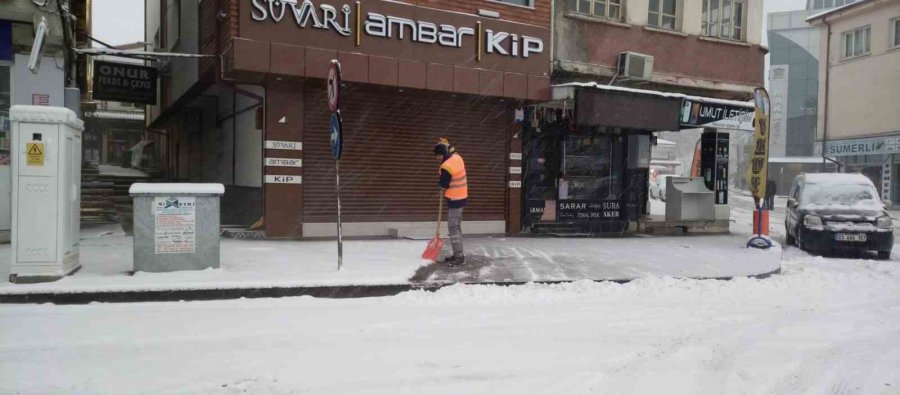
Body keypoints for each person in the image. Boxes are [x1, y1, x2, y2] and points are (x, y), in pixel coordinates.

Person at [434, 138, 467, 266]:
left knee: (453, 227)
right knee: (456, 227)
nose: (437, 158)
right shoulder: (456, 157)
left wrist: (440, 187)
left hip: (455, 199)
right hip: (461, 197)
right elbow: (452, 149)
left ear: (442, 154)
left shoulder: (446, 166)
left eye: (437, 156)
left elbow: (444, 184)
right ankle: (457, 254)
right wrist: (445, 143)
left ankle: (459, 256)